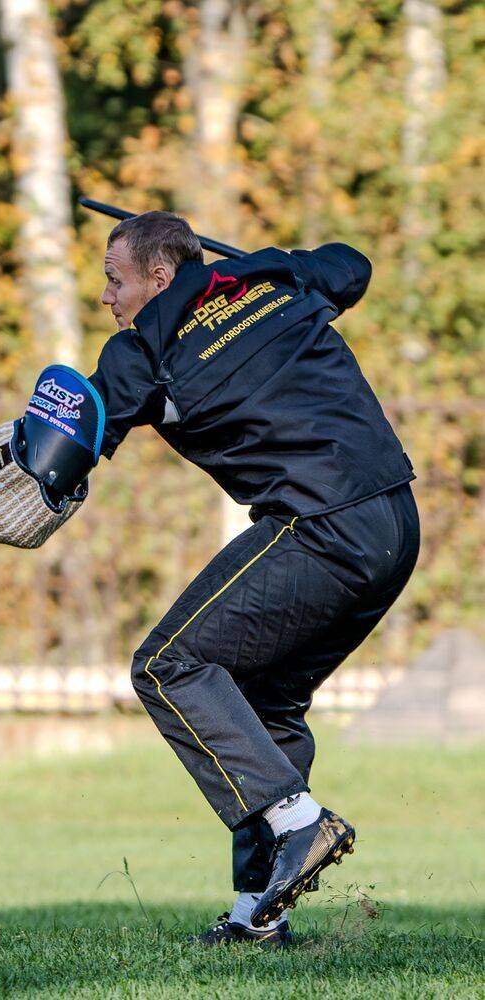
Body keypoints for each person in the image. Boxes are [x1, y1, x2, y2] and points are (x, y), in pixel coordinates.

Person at [88, 212, 419, 947]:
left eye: (115, 280)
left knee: (166, 665)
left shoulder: (140, 351)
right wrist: (272, 268)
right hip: (396, 521)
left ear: (159, 277)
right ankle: (257, 916)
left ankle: (301, 822)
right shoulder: (274, 279)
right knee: (263, 699)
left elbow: (68, 446)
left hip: (321, 524)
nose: (106, 298)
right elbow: (352, 263)